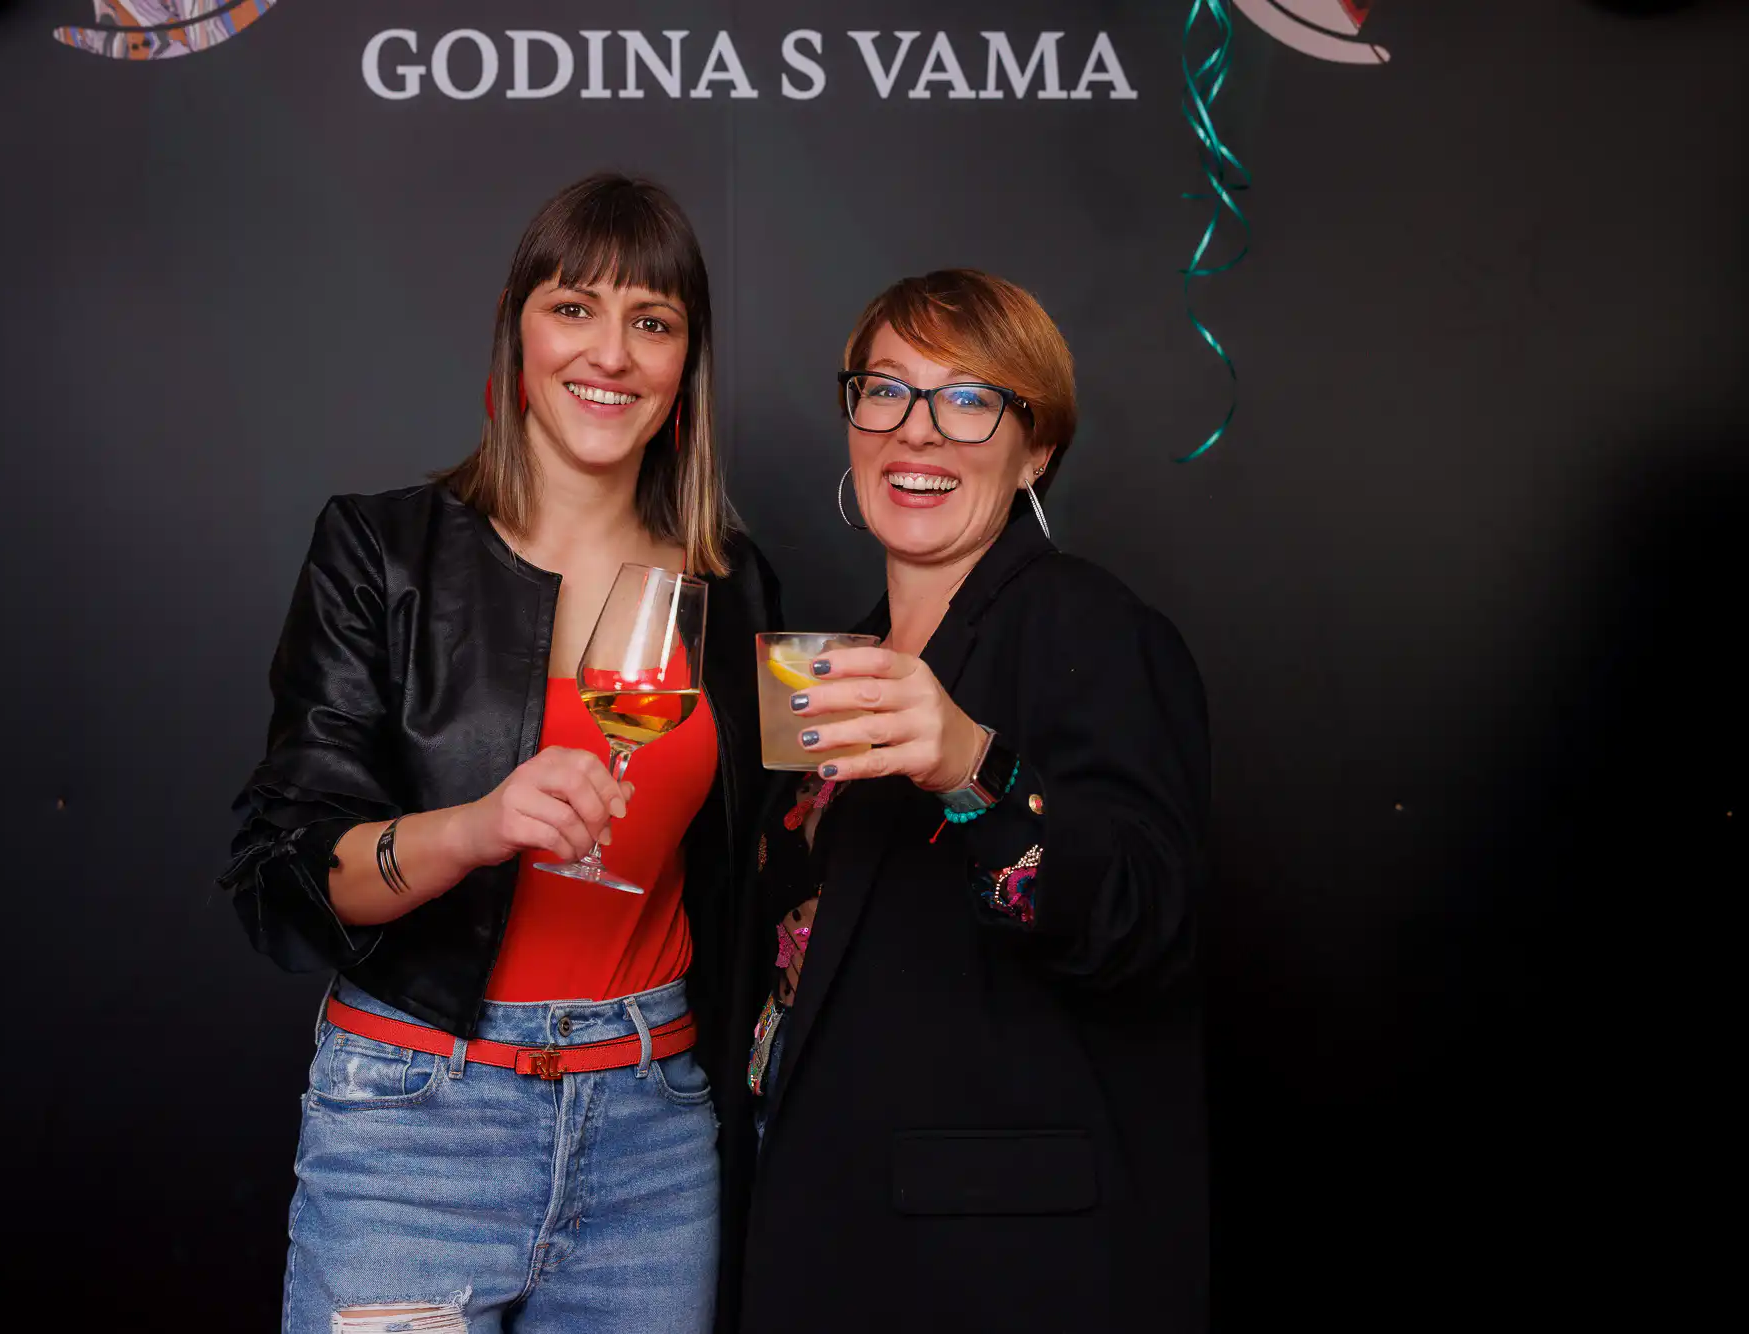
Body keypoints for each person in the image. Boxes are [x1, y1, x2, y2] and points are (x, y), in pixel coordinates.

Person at [220, 173, 780, 1334]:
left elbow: (756, 872)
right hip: (415, 1119)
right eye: (573, 308)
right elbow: (290, 866)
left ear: (684, 363)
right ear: (515, 332)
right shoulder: (381, 551)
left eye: (652, 321)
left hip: (652, 1131)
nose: (611, 353)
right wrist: (477, 827)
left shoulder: (732, 585)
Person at [723, 270, 1210, 1331]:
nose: (918, 429)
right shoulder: (845, 653)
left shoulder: (1090, 627)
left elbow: (1148, 926)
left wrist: (972, 766)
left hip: (988, 1264)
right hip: (821, 1228)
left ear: (1036, 448)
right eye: (886, 389)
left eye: (968, 398)